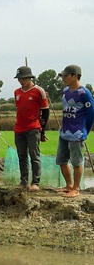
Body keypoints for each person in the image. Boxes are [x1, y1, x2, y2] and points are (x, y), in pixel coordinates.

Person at [56, 64, 94, 197]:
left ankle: (76, 189)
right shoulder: (65, 91)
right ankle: (68, 185)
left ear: (75, 76)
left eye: (66, 75)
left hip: (77, 133)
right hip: (64, 132)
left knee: (77, 162)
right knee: (61, 160)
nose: (63, 78)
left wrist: (84, 130)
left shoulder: (84, 93)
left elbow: (91, 114)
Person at [14, 66, 50, 191]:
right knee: (22, 156)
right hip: (19, 128)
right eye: (19, 78)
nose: (20, 81)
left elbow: (45, 112)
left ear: (29, 77)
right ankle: (23, 181)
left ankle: (35, 182)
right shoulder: (17, 92)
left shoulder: (39, 91)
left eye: (22, 78)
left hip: (33, 128)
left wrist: (42, 130)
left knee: (34, 155)